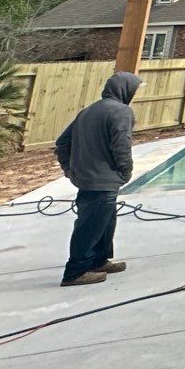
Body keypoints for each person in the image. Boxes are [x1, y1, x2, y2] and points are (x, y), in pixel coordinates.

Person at [54, 71, 142, 287]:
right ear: (126, 90)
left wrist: (70, 169)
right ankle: (75, 272)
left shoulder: (89, 111)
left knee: (106, 222)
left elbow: (62, 143)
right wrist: (126, 171)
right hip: (103, 180)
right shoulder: (121, 111)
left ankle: (98, 261)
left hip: (88, 178)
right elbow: (122, 145)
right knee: (91, 226)